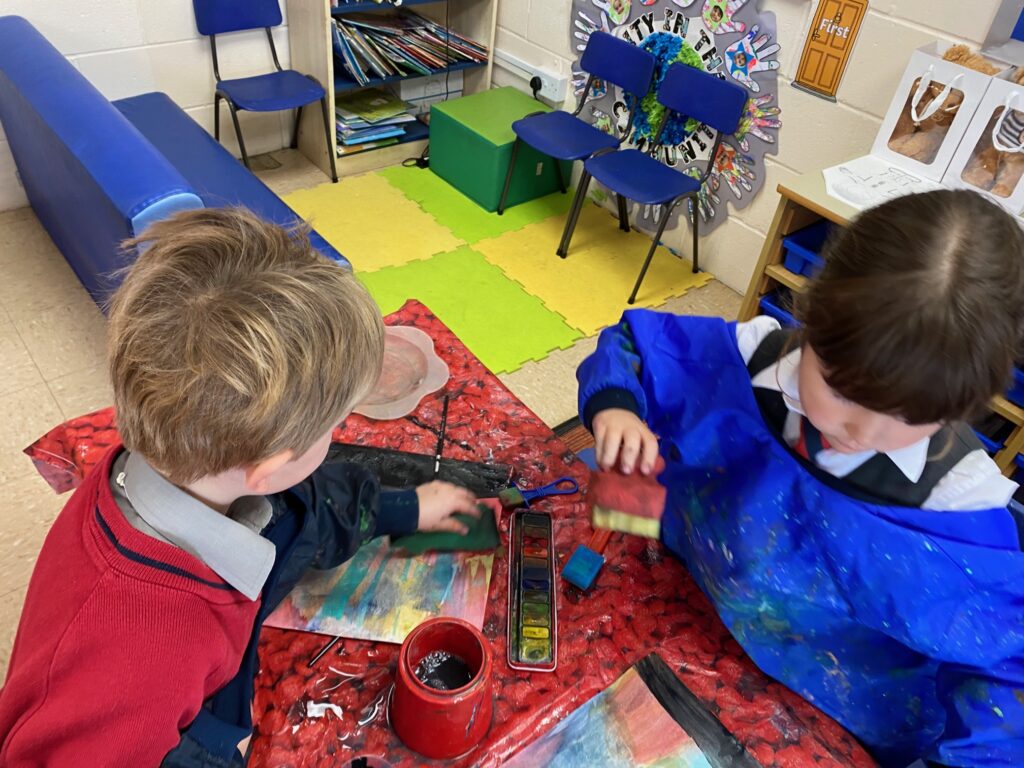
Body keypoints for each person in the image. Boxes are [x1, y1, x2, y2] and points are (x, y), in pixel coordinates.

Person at [0, 208, 479, 767]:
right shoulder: (135, 661)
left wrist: (404, 507)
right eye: (336, 425)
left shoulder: (179, 462)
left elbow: (310, 508)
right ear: (270, 467)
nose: (338, 435)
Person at [577, 190, 1024, 767]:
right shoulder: (756, 359)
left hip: (836, 716)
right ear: (811, 321)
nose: (857, 432)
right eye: (838, 389)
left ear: (962, 408)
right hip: (694, 609)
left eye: (909, 418)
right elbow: (637, 346)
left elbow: (1004, 686)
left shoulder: (963, 515)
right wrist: (617, 406)